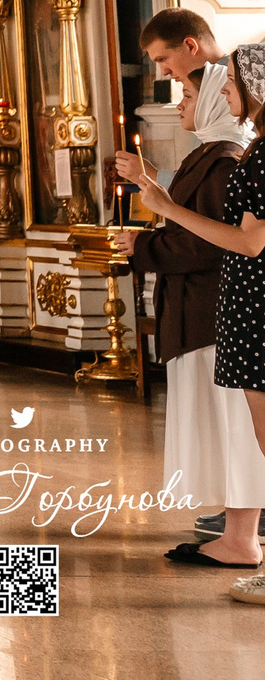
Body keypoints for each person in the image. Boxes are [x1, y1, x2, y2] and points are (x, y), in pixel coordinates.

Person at [117, 39, 265, 607]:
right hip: (241, 306)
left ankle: (245, 538)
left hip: (249, 306)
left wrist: (163, 212)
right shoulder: (246, 155)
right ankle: (238, 535)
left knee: (257, 433)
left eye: (227, 86)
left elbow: (245, 242)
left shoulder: (238, 157)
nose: (222, 93)